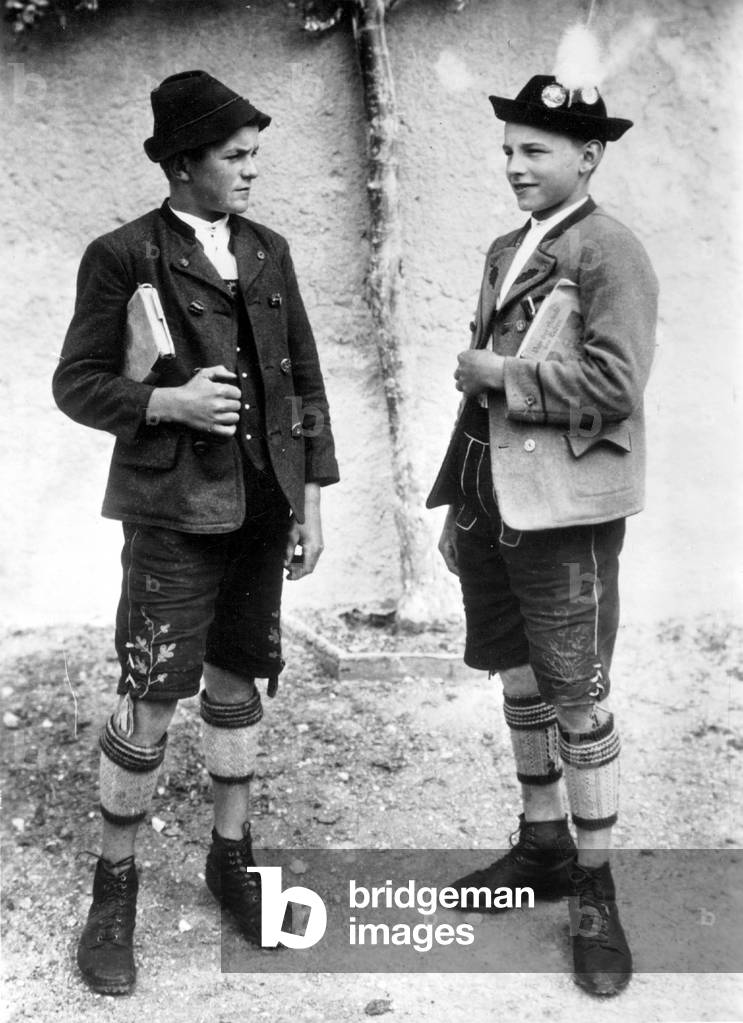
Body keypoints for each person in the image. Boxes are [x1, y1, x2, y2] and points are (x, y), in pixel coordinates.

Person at [52, 70, 339, 996]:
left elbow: (302, 375)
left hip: (261, 509)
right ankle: (115, 896)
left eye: (256, 155)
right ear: (182, 165)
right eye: (235, 156)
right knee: (148, 694)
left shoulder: (268, 249)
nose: (252, 171)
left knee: (237, 682)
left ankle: (230, 858)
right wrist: (166, 401)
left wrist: (312, 498)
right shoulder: (122, 255)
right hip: (173, 513)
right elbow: (77, 382)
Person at [427, 72, 657, 996]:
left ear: (587, 156)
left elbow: (616, 383)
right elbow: (487, 398)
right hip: (492, 502)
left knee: (576, 690)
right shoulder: (502, 247)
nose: (514, 166)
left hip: (564, 514)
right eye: (509, 150)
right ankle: (542, 845)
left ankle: (596, 891)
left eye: (535, 151)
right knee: (517, 672)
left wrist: (499, 372)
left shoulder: (610, 252)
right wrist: (457, 499)